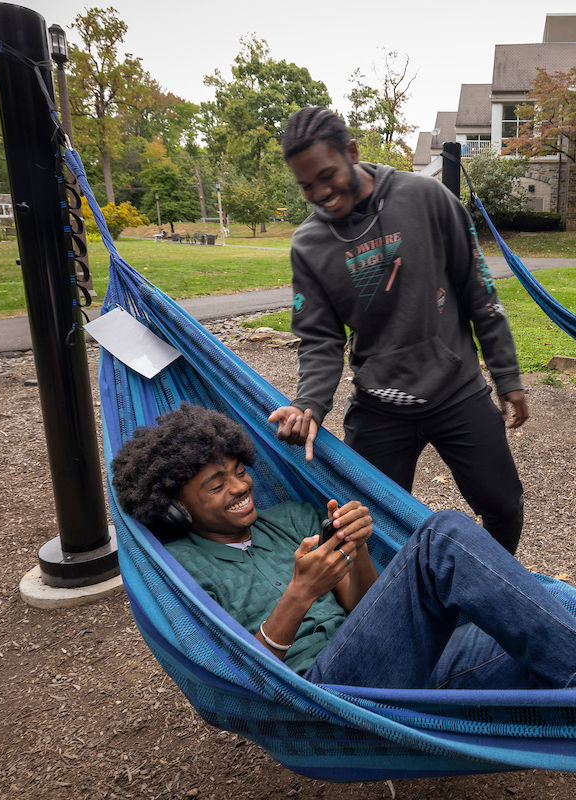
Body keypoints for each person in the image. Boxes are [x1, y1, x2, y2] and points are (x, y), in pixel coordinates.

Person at [111, 404, 576, 691]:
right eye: (216, 484)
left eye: (240, 470)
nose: (239, 487)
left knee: (539, 631)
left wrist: (355, 546)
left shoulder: (290, 519)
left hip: (391, 663)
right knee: (442, 536)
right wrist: (299, 593)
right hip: (323, 694)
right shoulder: (181, 572)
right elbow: (243, 679)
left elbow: (362, 606)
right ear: (175, 507)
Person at [268, 107, 529, 554]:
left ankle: (487, 593)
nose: (321, 194)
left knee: (504, 507)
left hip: (456, 390)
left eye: (327, 176)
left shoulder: (427, 199)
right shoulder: (309, 244)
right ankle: (402, 605)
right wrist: (308, 402)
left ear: (352, 151)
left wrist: (507, 376)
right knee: (362, 530)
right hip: (379, 404)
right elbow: (320, 338)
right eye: (306, 186)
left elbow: (478, 290)